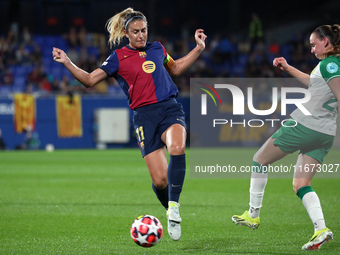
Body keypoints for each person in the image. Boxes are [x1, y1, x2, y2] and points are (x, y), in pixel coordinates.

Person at [52, 7, 207, 241]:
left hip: (169, 108)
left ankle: (174, 208)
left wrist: (198, 48)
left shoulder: (158, 48)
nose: (141, 35)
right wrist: (67, 62)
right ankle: (168, 207)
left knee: (177, 147)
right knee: (160, 180)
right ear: (127, 33)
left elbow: (175, 68)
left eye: (144, 30)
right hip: (144, 118)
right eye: (136, 32)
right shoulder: (117, 58)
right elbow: (89, 80)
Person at [232, 24, 340, 250]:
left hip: (304, 125)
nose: (311, 50)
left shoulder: (329, 64)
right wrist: (289, 68)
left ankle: (253, 215)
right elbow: (316, 85)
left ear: (326, 42)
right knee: (301, 184)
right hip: (325, 133)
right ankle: (321, 229)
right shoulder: (332, 66)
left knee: (259, 160)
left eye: (313, 45)